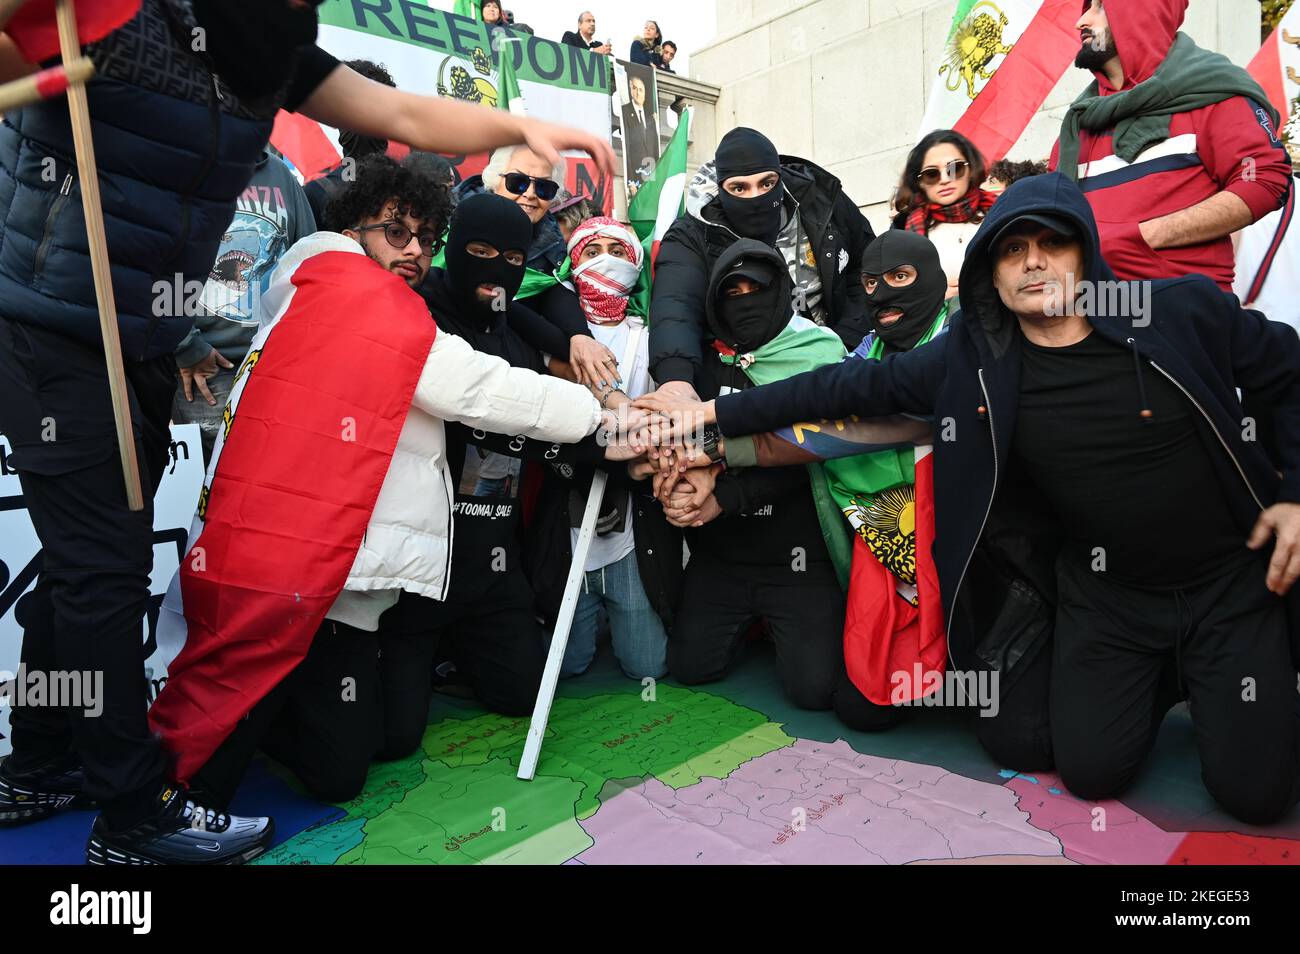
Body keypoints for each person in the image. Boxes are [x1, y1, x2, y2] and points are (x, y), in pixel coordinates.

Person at [0, 0, 612, 865]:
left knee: (90, 570)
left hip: (132, 339)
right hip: (44, 326)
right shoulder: (108, 15)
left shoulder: (267, 52)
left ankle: (37, 761)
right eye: (392, 233)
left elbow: (400, 113)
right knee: (102, 574)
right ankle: (135, 818)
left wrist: (521, 123)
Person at [638, 172, 1300, 825]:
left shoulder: (1179, 312)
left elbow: (1291, 372)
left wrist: (1295, 495)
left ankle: (1218, 679)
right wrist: (710, 417)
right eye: (1013, 248)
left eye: (1053, 243)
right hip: (1110, 600)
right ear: (991, 266)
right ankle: (1162, 678)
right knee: (1091, 771)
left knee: (1256, 797)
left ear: (1086, 252)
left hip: (1228, 589)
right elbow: (839, 393)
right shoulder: (977, 356)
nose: (1033, 261)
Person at [153, 159, 625, 813]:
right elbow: (475, 388)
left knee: (344, 765)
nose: (414, 251)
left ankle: (260, 722)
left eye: (427, 238)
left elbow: (533, 305)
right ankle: (181, 796)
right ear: (352, 229)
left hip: (333, 573)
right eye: (395, 233)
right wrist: (603, 417)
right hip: (302, 564)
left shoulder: (313, 286)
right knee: (238, 700)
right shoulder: (359, 295)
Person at [649, 238, 880, 727]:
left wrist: (725, 497)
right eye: (733, 291)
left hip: (797, 560)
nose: (746, 300)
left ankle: (783, 628)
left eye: (759, 288)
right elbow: (672, 445)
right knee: (691, 669)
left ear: (783, 292)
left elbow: (812, 457)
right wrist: (683, 491)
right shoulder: (698, 368)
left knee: (814, 690)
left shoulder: (819, 355)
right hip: (722, 557)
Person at [1051, 0, 1292, 290]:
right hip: (1091, 311)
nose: (1082, 22)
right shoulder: (1079, 123)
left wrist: (1145, 237)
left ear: (1141, 13)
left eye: (1101, 7)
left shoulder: (1214, 94)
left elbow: (1262, 179)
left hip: (1180, 311)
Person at [649, 126, 875, 408]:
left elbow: (867, 265)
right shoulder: (694, 234)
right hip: (753, 383)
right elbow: (676, 305)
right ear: (721, 189)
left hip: (843, 361)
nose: (755, 197)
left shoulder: (818, 200)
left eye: (767, 184)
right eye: (739, 188)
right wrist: (675, 378)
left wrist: (848, 340)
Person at [557, 218, 671, 681]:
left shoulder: (650, 335)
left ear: (636, 262)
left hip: (629, 514)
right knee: (569, 664)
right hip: (566, 515)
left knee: (648, 666)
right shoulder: (557, 330)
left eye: (617, 250)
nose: (605, 258)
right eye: (591, 250)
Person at [174, 147, 317, 464]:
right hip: (207, 370)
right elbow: (156, 261)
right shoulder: (180, 167)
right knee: (213, 491)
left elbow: (311, 260)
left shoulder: (281, 176)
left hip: (276, 365)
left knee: (271, 481)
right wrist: (186, 345)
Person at [458, 144, 621, 387]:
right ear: (494, 180)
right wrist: (567, 346)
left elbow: (551, 287)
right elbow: (499, 303)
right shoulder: (455, 224)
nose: (531, 194)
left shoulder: (550, 235)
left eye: (544, 187)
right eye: (517, 182)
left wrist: (580, 337)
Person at [895, 130, 997, 301]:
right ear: (920, 181)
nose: (944, 179)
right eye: (932, 174)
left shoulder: (999, 211)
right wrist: (934, 298)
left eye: (954, 168)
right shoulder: (904, 229)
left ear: (970, 169)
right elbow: (900, 296)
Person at [302, 59, 396, 226]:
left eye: (373, 110)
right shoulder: (316, 194)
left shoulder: (409, 191)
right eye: (353, 111)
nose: (362, 123)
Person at [621, 74, 660, 181]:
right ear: (630, 90)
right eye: (634, 88)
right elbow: (626, 149)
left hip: (649, 177)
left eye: (640, 90)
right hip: (634, 177)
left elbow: (654, 149)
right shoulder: (624, 111)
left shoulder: (650, 117)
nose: (637, 93)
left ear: (645, 93)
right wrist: (631, 181)